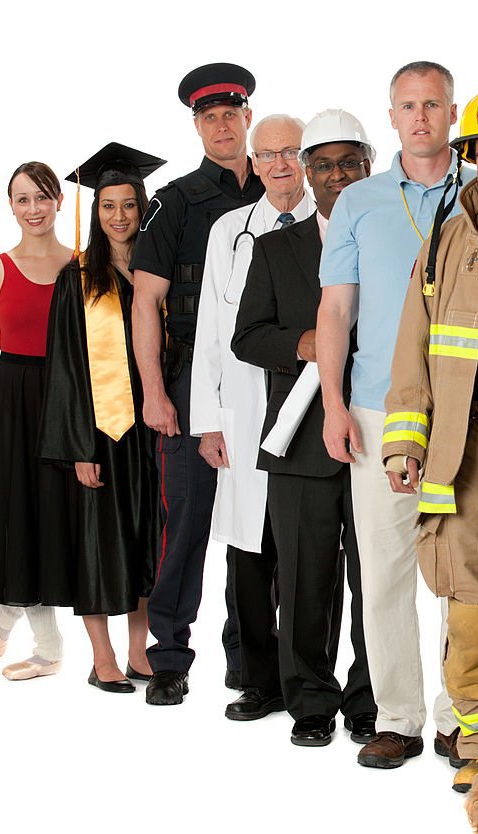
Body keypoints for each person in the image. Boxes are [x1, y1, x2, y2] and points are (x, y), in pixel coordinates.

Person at [381, 82, 478, 791]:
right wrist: (404, 442)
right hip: (467, 443)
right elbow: (412, 346)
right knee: (474, 595)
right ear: (468, 159)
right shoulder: (450, 238)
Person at [316, 61, 475, 770]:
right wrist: (332, 405)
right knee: (382, 571)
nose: (420, 117)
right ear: (391, 118)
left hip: (468, 412)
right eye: (407, 106)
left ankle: (459, 713)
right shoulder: (360, 202)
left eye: (432, 104)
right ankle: (399, 717)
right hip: (378, 408)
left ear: (453, 111)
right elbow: (336, 309)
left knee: (462, 570)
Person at [231, 109, 377, 747]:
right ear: (308, 174)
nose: (337, 176)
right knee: (305, 578)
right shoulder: (275, 249)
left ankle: (373, 700)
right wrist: (308, 343)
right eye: (323, 165)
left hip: (377, 433)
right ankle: (311, 702)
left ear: (368, 168)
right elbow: (247, 337)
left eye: (350, 164)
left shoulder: (396, 237)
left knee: (376, 575)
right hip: (299, 437)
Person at [129, 63, 265, 705]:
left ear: (246, 118)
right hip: (189, 378)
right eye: (209, 117)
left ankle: (247, 655)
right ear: (196, 125)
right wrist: (156, 393)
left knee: (253, 519)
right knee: (186, 518)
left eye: (231, 114)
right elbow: (146, 303)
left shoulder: (277, 188)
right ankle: (169, 656)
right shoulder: (177, 200)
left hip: (266, 380)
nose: (221, 126)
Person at [192, 114, 314, 720]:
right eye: (267, 155)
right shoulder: (229, 231)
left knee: (309, 556)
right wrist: (209, 419)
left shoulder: (330, 224)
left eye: (291, 152)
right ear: (255, 162)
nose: (279, 165)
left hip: (311, 409)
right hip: (243, 410)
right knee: (249, 552)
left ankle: (310, 684)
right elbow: (212, 333)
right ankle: (259, 681)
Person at [39, 143, 166, 693]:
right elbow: (65, 366)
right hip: (101, 432)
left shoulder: (156, 273)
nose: (119, 216)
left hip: (151, 428)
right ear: (95, 211)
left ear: (142, 207)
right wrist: (79, 446)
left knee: (146, 538)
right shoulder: (77, 279)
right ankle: (102, 656)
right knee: (96, 541)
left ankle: (140, 650)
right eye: (108, 205)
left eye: (129, 205)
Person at [0, 161, 72, 680]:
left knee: (55, 520)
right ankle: (48, 647)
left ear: (59, 201)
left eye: (43, 197)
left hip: (68, 405)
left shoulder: (80, 265)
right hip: (11, 406)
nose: (34, 208)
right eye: (23, 199)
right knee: (19, 518)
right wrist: (17, 413)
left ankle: (6, 611)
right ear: (11, 206)